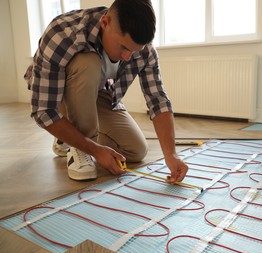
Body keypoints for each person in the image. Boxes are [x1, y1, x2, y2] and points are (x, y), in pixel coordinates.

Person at [24, 0, 188, 182]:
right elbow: (43, 111)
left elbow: (157, 99)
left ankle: (68, 135)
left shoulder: (144, 49)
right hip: (60, 93)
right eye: (123, 47)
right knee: (88, 64)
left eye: (134, 51)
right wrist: (94, 150)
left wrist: (171, 155)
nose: (127, 57)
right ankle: (78, 146)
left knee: (135, 150)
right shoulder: (63, 34)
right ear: (105, 23)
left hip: (100, 92)